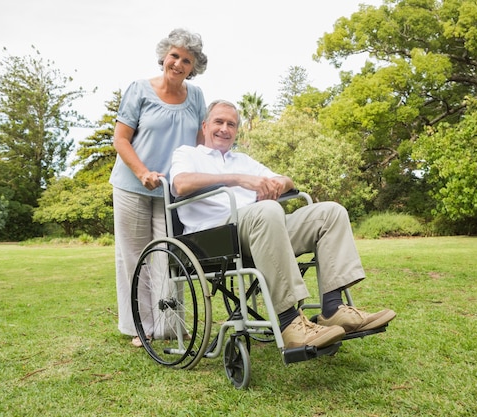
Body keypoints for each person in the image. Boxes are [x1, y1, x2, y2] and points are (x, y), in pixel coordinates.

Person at [169, 100, 396, 349]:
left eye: (231, 124)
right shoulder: (187, 153)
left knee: (331, 212)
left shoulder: (242, 159)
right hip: (215, 234)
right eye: (219, 122)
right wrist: (238, 180)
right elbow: (180, 184)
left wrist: (279, 184)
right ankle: (289, 323)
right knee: (267, 210)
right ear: (205, 125)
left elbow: (286, 179)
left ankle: (332, 308)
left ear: (236, 130)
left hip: (262, 225)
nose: (224, 128)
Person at [109, 28, 208, 347]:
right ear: (164, 56)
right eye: (174, 56)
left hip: (172, 193)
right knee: (135, 257)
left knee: (171, 257)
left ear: (194, 67)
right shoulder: (139, 89)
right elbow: (120, 139)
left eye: (186, 60)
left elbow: (199, 144)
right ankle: (143, 326)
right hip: (133, 186)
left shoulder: (196, 97)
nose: (178, 63)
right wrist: (141, 173)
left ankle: (170, 324)